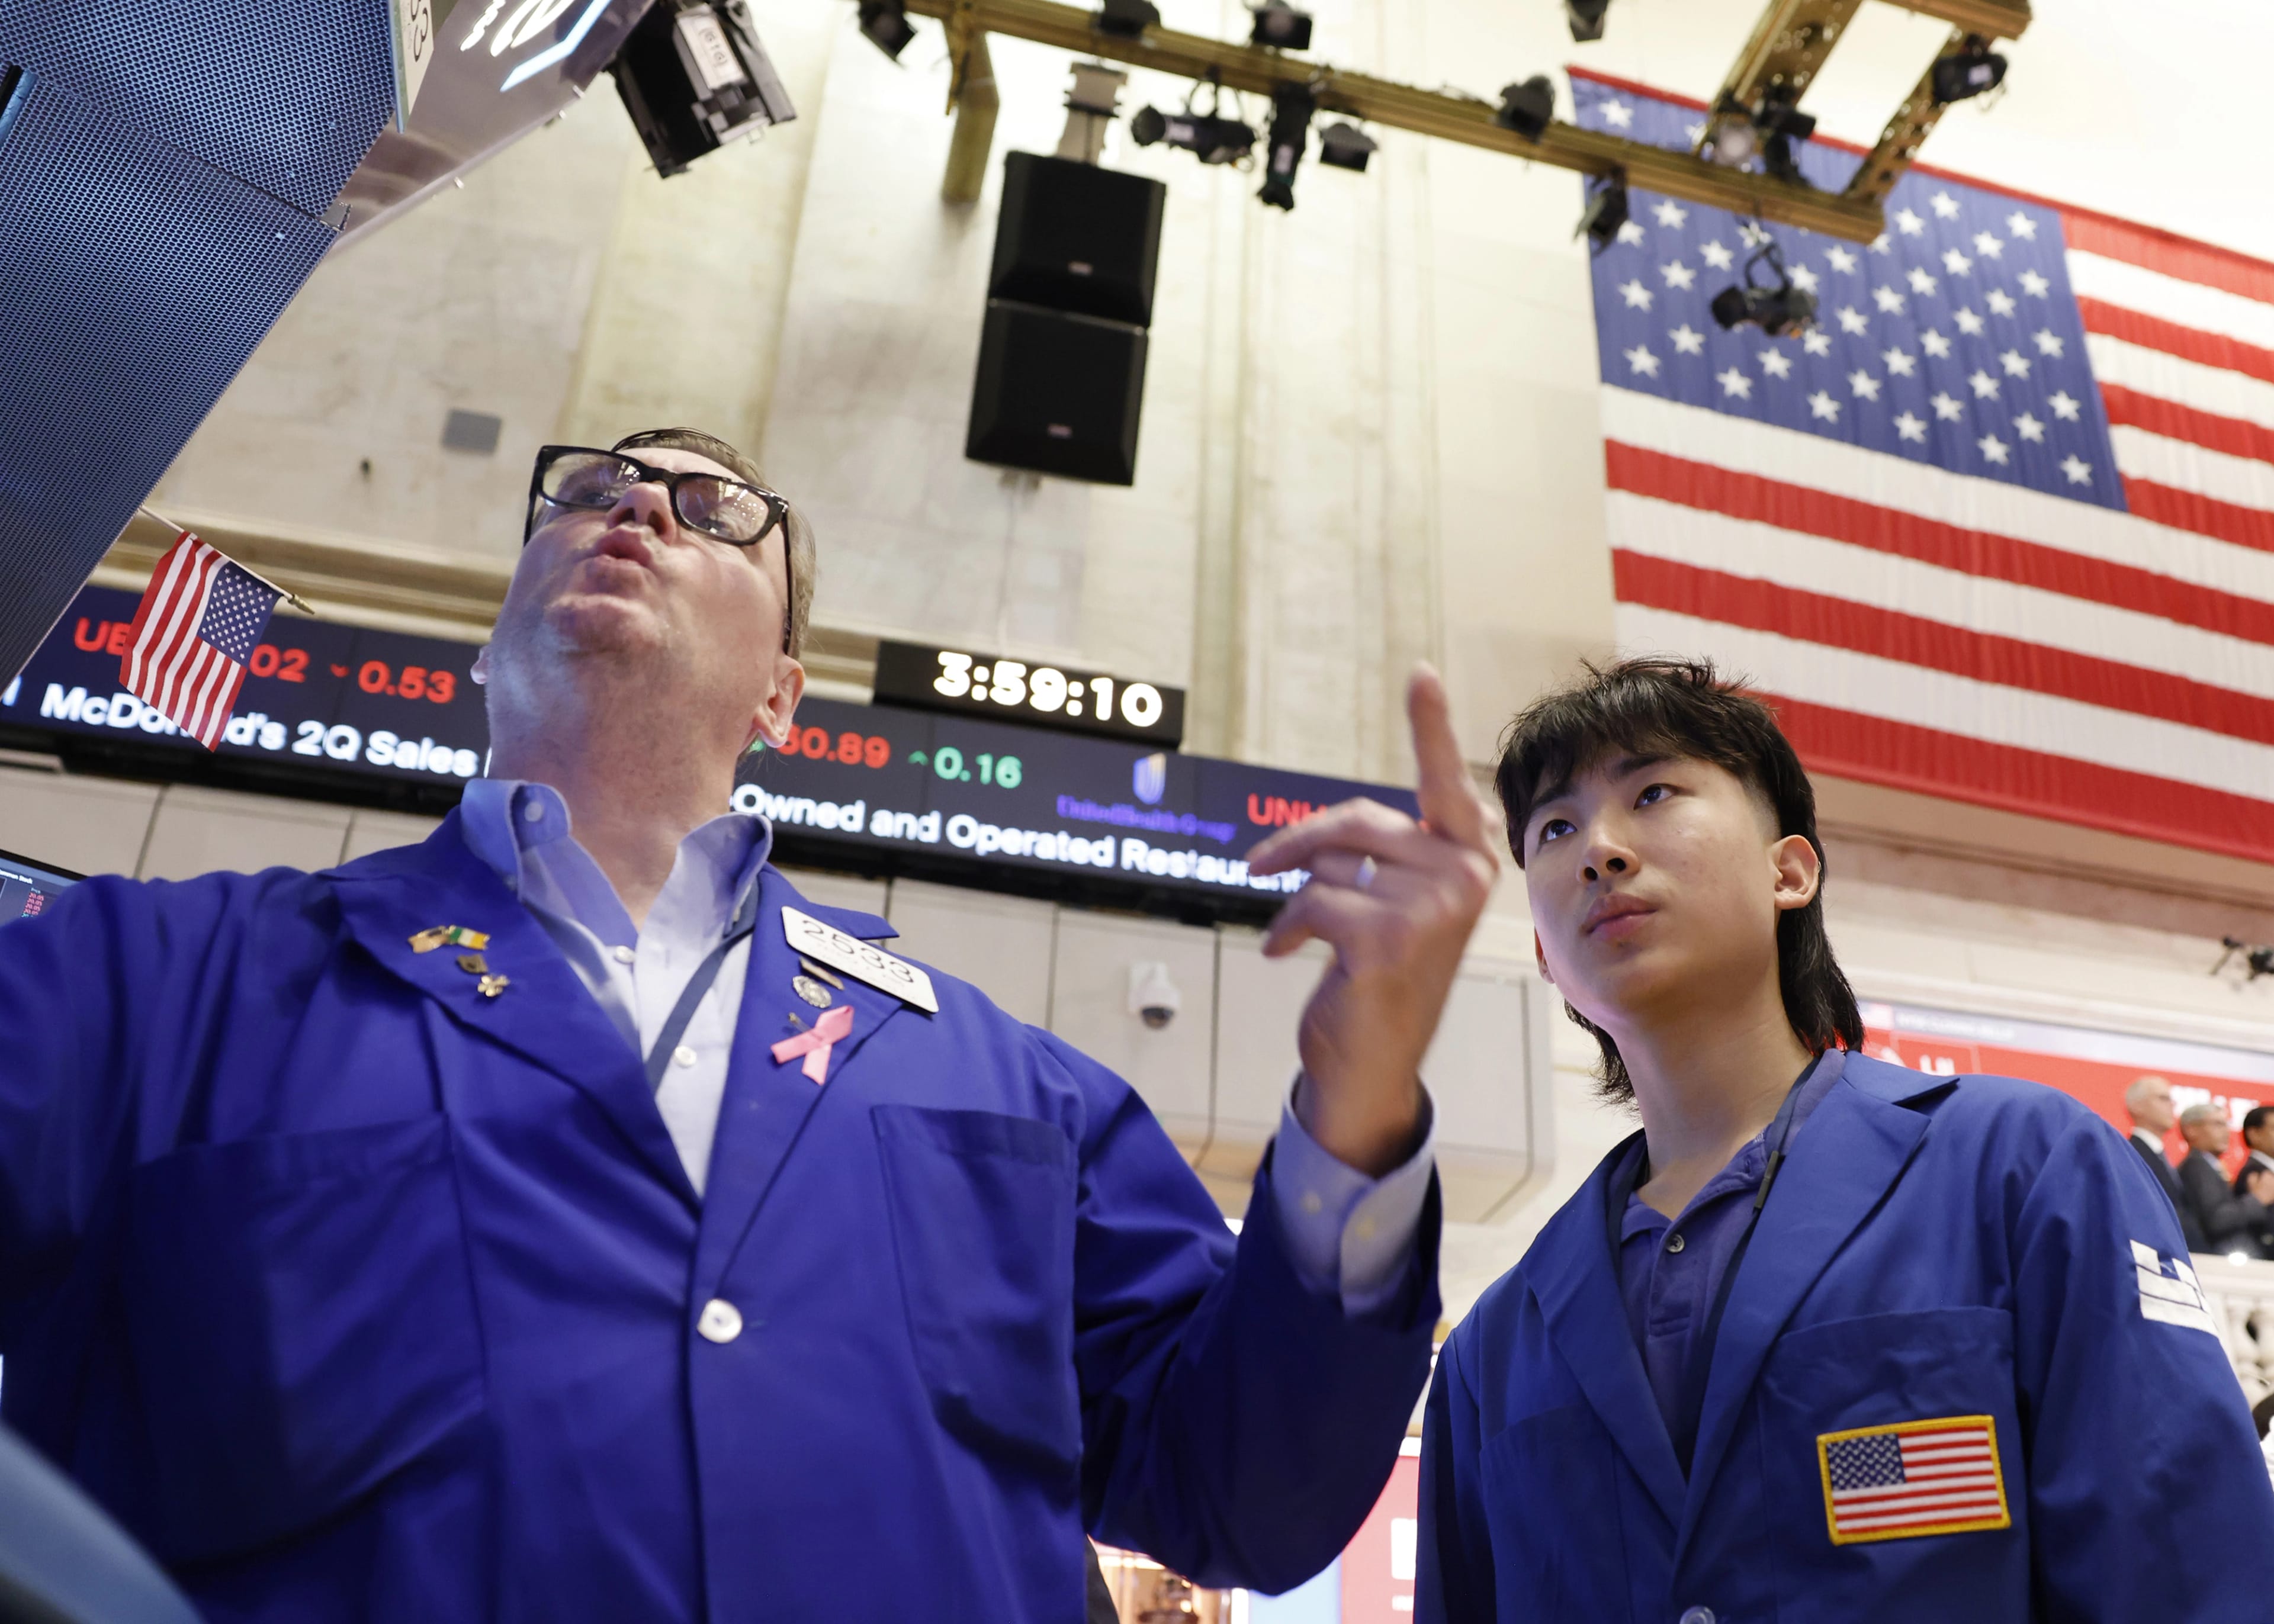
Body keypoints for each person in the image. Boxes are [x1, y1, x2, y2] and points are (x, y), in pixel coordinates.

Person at [0, 430, 1504, 1622]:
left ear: (784, 693)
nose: (636, 505)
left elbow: (1240, 1487)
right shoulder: (157, 979)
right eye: (586, 489)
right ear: (489, 639)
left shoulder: (1016, 1088)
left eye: (711, 508)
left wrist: (1357, 1106)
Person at [1417, 657, 2274, 1623]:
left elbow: (2187, 1579)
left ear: (1790, 870)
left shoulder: (2023, 1172)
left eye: (1652, 792)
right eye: (1555, 828)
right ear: (1542, 950)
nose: (1600, 849)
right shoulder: (1491, 1353)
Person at [2176, 1102, 2274, 1259]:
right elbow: (2216, 1220)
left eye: (2226, 1125)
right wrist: (2258, 1199)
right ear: (2191, 1130)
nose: (2226, 1132)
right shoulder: (2196, 1167)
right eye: (2217, 1124)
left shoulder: (2210, 1167)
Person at [2125, 1073, 2209, 1252]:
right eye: (2163, 1098)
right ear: (2136, 1107)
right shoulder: (2132, 1155)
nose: (2172, 1105)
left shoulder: (2159, 1156)